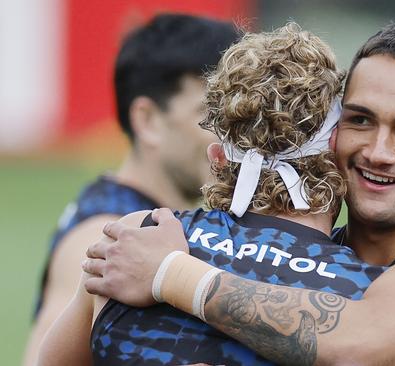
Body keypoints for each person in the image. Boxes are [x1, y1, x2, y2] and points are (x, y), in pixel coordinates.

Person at [83, 21, 395, 366]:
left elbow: (361, 338)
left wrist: (169, 273)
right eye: (359, 120)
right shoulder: (317, 258)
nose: (378, 151)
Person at [22, 13, 240, 365]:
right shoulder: (107, 238)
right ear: (148, 120)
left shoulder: (135, 222)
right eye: (211, 115)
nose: (232, 136)